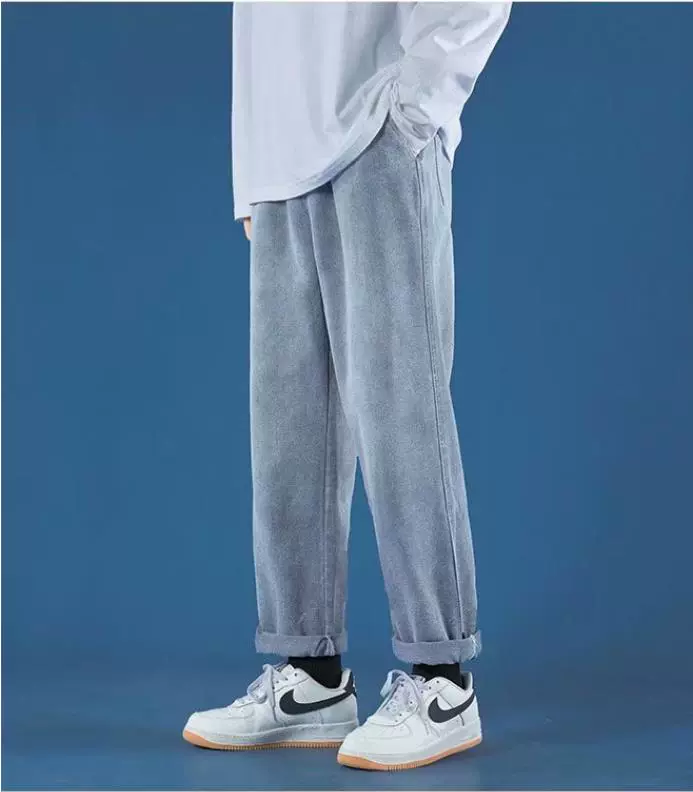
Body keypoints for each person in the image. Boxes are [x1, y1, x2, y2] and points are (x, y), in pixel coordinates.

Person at [183, 1, 510, 771]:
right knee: (288, 431)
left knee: (402, 414)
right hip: (282, 162)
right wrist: (251, 173)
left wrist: (415, 110)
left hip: (377, 139)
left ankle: (443, 681)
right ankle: (311, 676)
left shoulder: (393, 127)